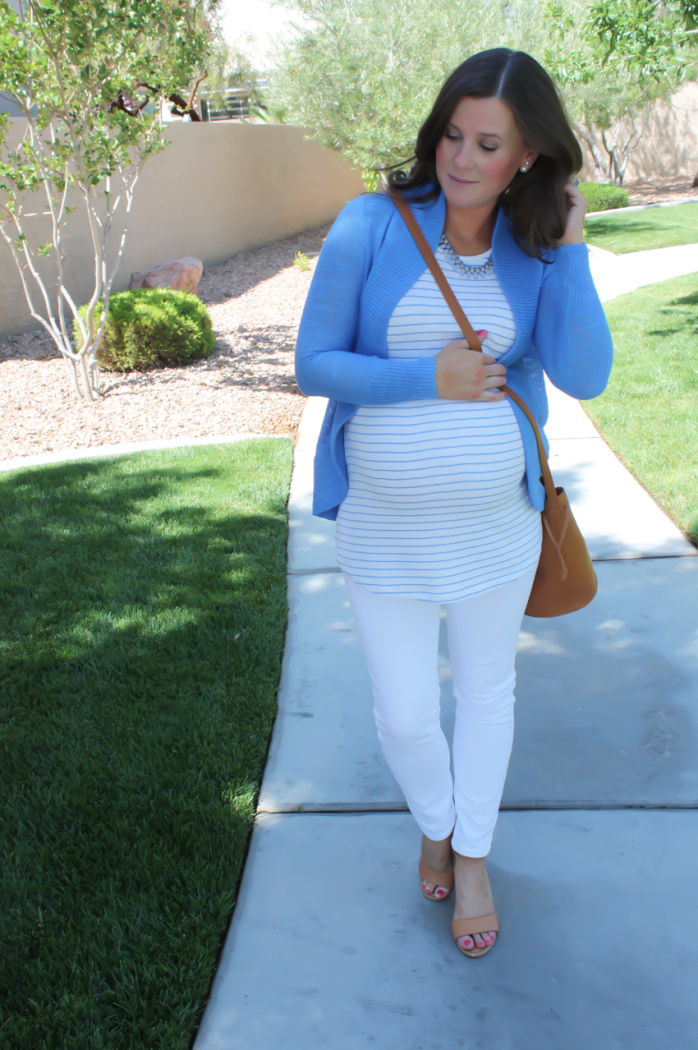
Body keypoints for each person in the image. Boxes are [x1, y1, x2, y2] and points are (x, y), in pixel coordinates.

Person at [294, 47, 613, 958]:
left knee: (486, 695)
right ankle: (436, 817)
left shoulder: (534, 250)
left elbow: (585, 372)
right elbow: (314, 362)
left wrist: (575, 247)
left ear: (528, 158)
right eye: (451, 135)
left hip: (496, 530)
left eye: (487, 143)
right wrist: (426, 378)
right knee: (401, 713)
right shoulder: (371, 225)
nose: (461, 158)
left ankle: (470, 852)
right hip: (386, 532)